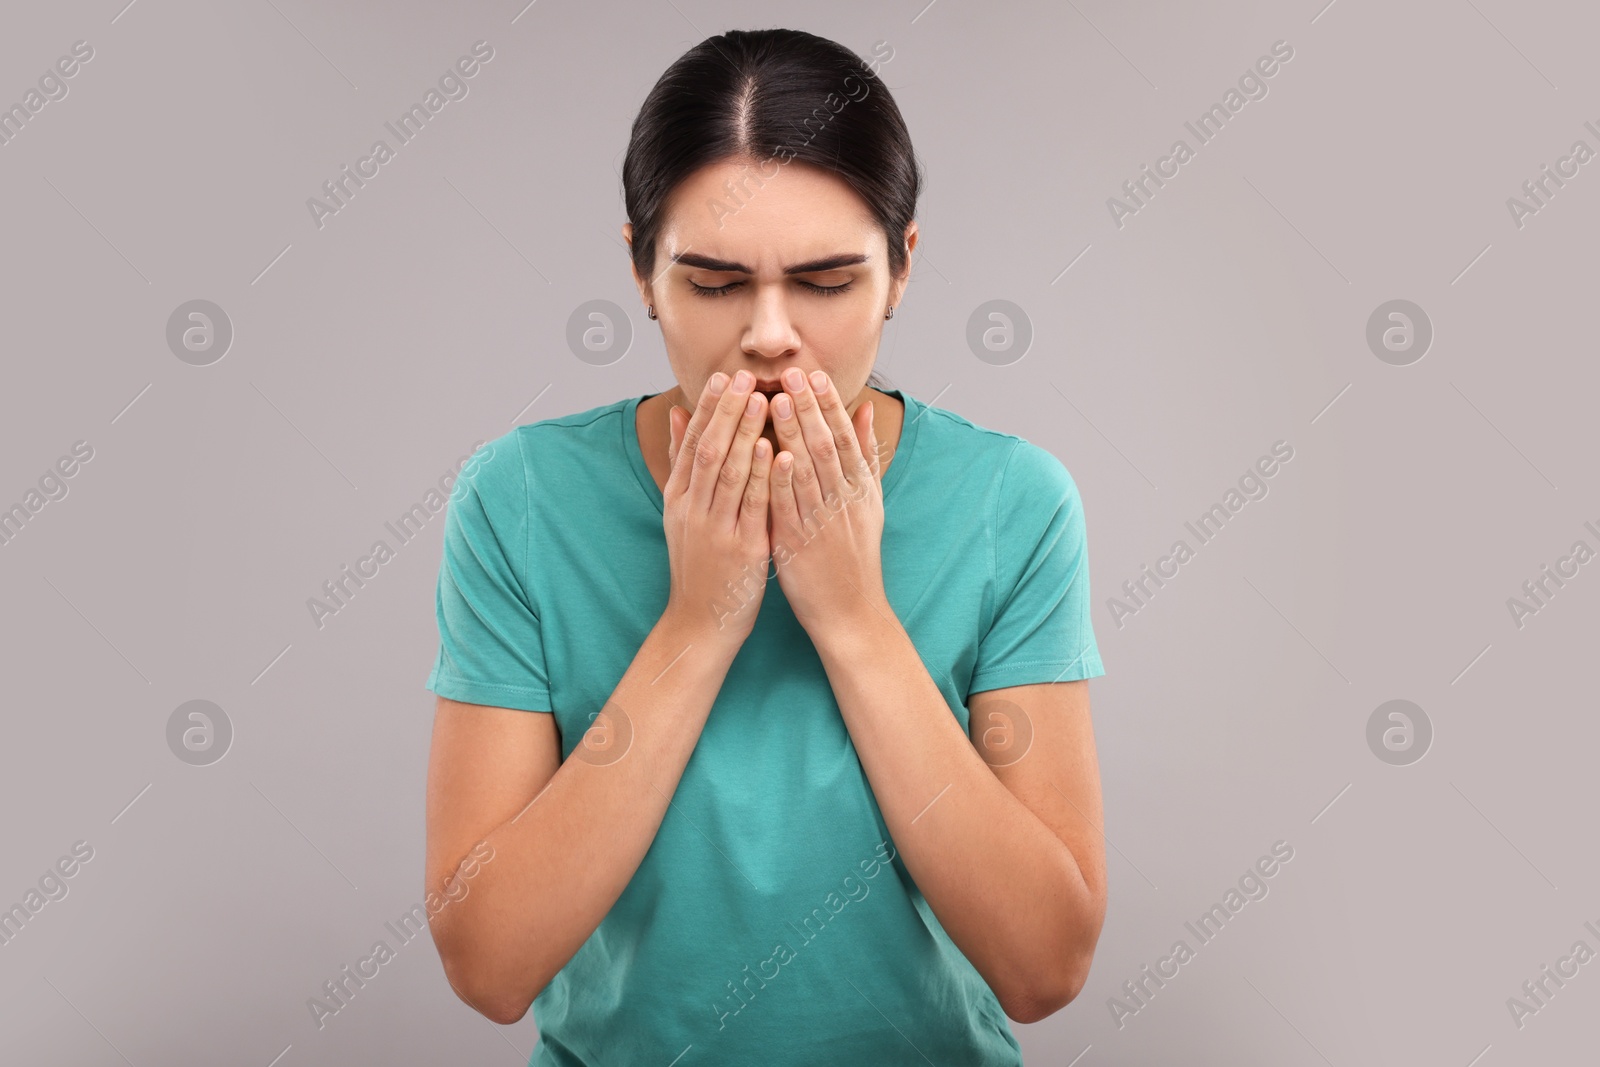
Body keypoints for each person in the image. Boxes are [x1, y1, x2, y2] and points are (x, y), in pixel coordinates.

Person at [422, 27, 1107, 1065]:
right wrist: (699, 619)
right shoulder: (520, 498)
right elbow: (489, 964)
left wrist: (857, 621)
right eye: (712, 283)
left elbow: (1044, 964)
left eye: (828, 282)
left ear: (901, 269)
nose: (771, 333)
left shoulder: (1010, 501)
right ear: (642, 272)